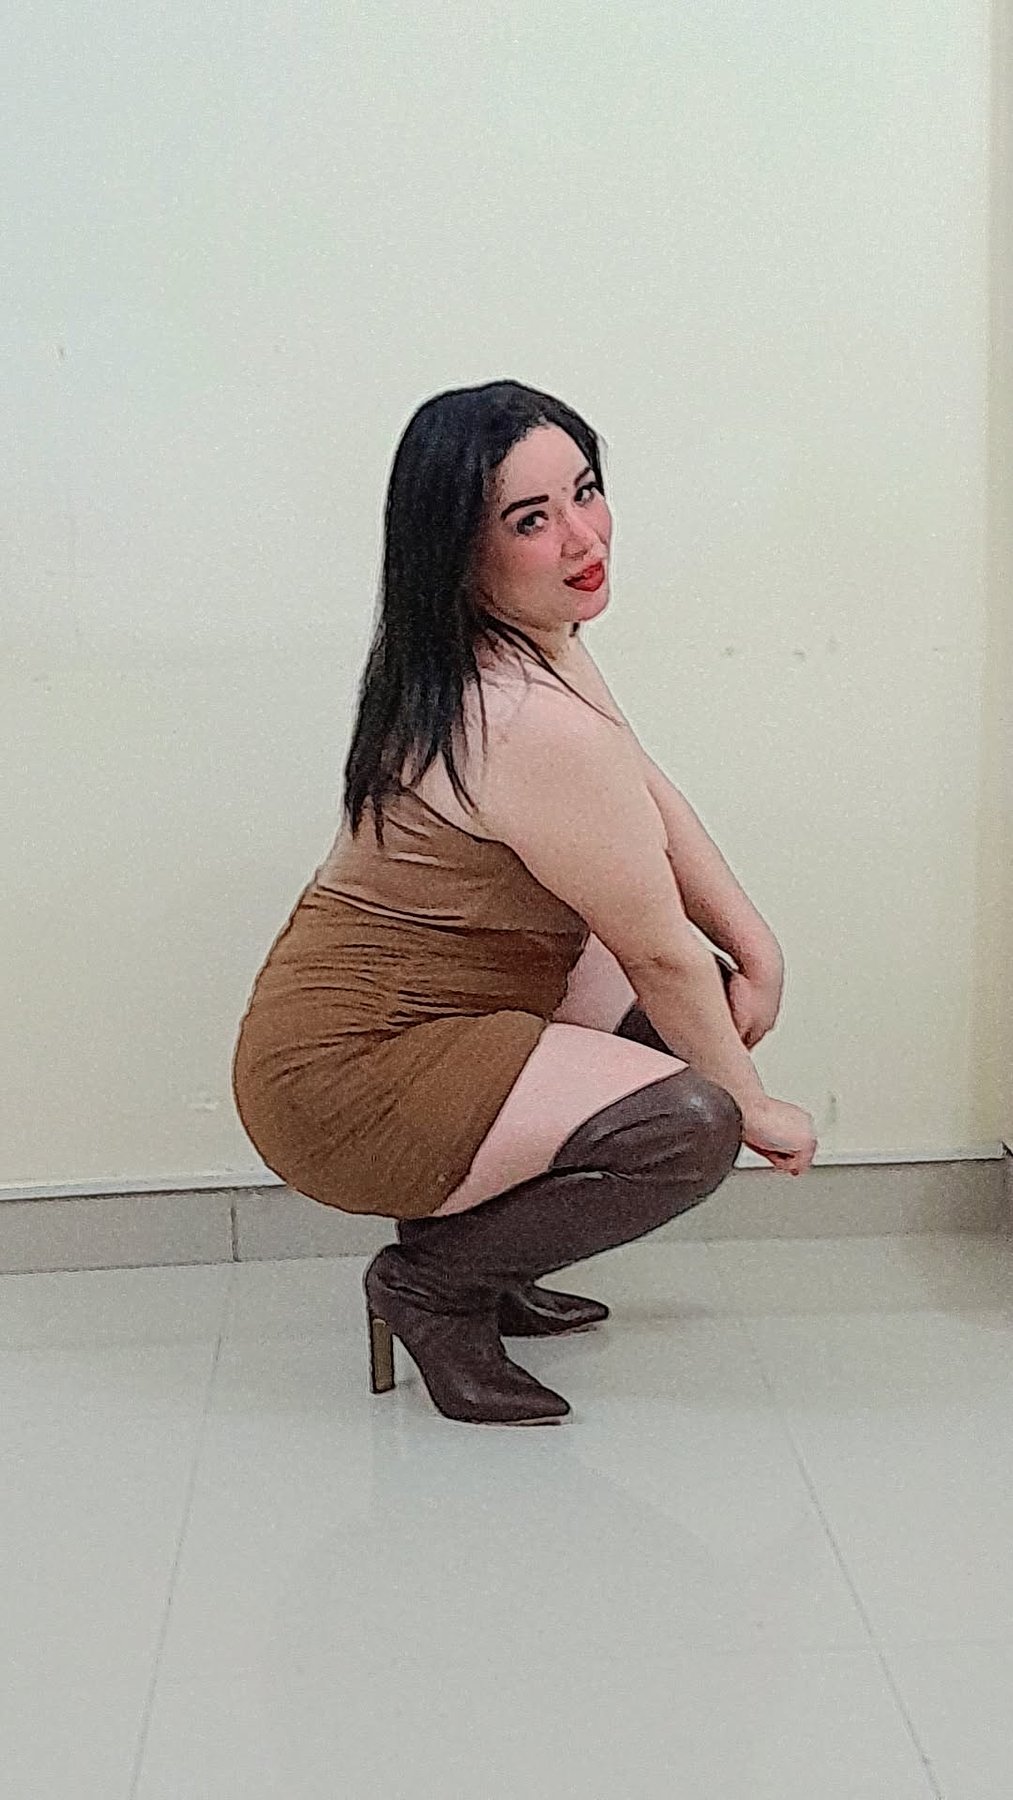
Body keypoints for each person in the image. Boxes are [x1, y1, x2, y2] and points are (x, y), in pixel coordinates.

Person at [231, 380, 818, 1428]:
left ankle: (488, 1261)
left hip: (447, 1004)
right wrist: (751, 1102)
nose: (582, 537)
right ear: (459, 551)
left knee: (693, 1019)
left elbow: (638, 785)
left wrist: (755, 944)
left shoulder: (526, 641)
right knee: (690, 1123)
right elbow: (656, 951)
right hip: (346, 1071)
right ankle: (433, 1286)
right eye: (530, 520)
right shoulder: (511, 713)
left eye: (585, 492)